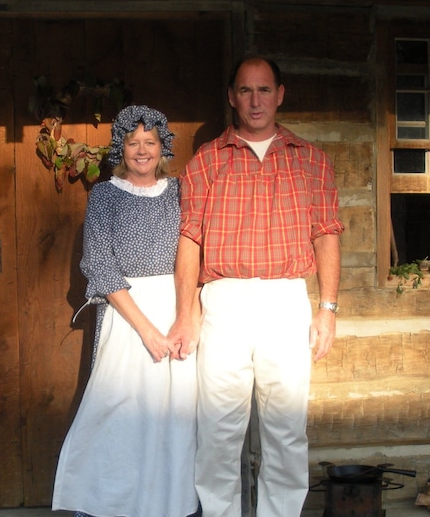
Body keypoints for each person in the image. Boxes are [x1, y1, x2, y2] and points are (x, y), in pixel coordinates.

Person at [168, 56, 344, 517]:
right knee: (219, 430)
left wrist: (327, 308)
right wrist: (187, 313)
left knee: (285, 428)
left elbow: (326, 232)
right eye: (245, 91)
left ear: (280, 95)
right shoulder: (207, 159)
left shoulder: (310, 160)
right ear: (232, 97)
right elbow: (189, 239)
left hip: (286, 300)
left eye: (264, 90)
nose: (255, 100)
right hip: (224, 300)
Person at [53, 105, 200, 517]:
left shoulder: (180, 191)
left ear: (162, 147)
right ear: (121, 148)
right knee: (117, 409)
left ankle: (169, 506)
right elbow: (99, 263)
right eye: (133, 143)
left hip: (175, 309)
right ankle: (107, 505)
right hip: (126, 314)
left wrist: (186, 318)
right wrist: (148, 331)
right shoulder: (104, 195)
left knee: (172, 413)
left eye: (149, 142)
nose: (141, 151)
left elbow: (194, 253)